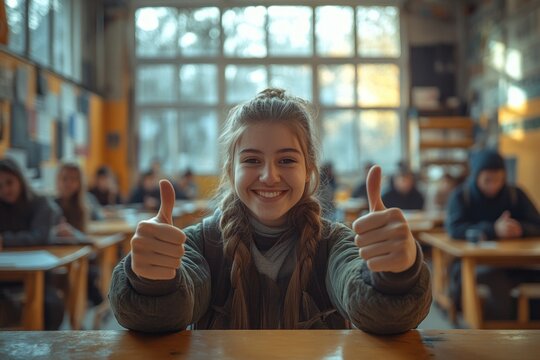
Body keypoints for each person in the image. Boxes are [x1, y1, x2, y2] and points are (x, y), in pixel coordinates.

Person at [109, 88, 431, 333]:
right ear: (230, 170)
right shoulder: (200, 243)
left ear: (310, 171)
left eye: (287, 160)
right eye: (251, 160)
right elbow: (172, 311)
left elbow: (370, 307)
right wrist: (151, 281)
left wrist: (396, 275)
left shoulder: (335, 243)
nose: (269, 176)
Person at [446, 149, 540, 320]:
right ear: (476, 177)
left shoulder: (515, 194)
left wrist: (520, 229)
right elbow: (455, 229)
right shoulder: (461, 196)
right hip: (477, 262)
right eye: (487, 180)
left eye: (498, 179)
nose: (493, 185)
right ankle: (498, 330)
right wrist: (493, 230)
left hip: (515, 261)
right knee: (496, 282)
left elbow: (537, 224)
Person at [0, 158, 65, 330]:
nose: (5, 190)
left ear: (20, 179)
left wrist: (3, 240)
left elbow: (39, 237)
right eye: (0, 186)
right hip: (4, 276)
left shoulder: (40, 203)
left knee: (50, 308)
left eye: (9, 182)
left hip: (39, 276)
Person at [54, 162, 105, 306]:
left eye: (73, 179)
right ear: (58, 180)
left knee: (85, 272)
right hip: (57, 257)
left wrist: (72, 233)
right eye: (64, 179)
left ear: (80, 183)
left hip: (80, 258)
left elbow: (89, 240)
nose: (68, 183)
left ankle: (80, 315)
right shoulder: (51, 205)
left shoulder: (84, 207)